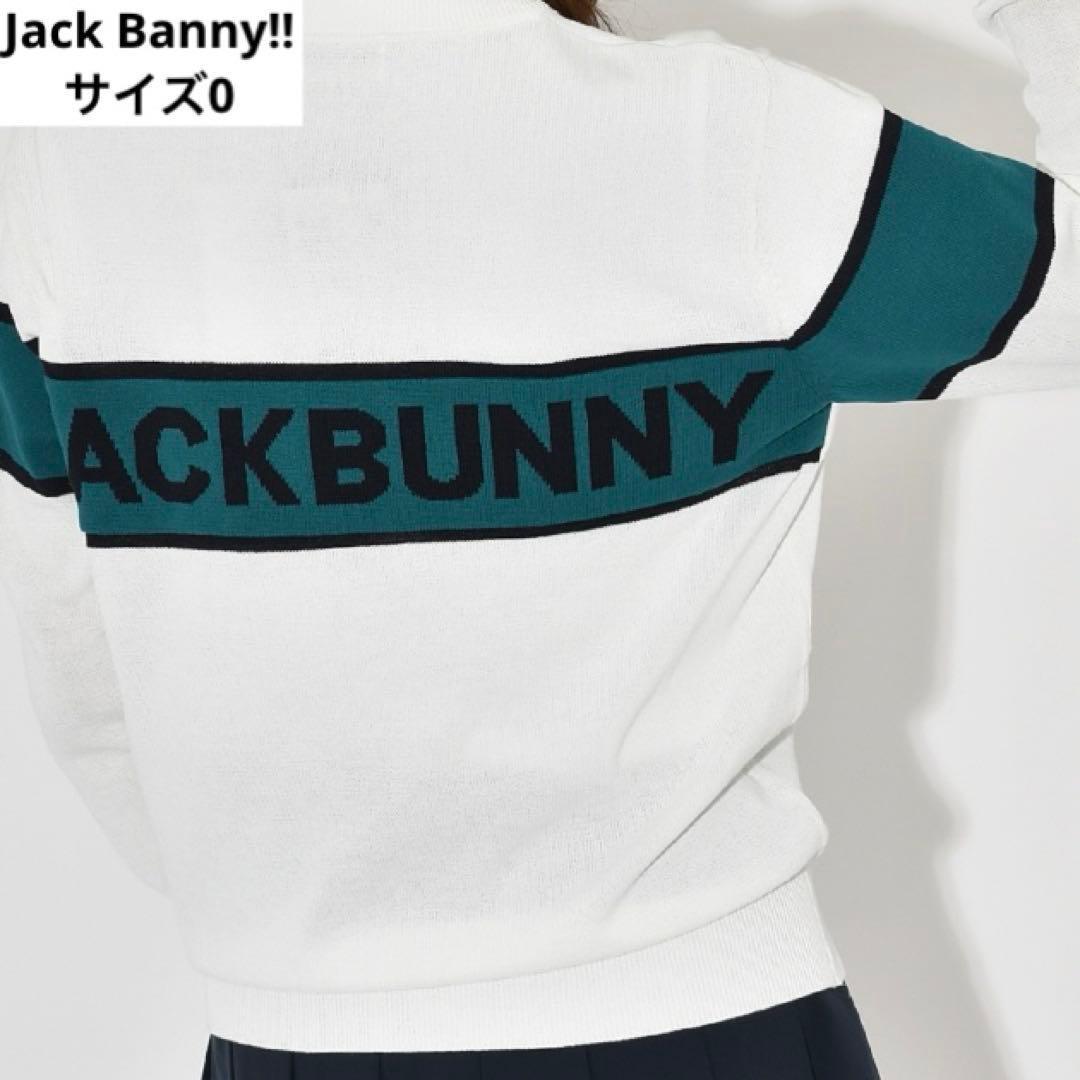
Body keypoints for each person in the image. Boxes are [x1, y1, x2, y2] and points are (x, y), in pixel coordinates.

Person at [0, 0, 1076, 1076]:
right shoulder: (736, 140)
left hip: (291, 1022)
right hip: (713, 1006)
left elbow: (77, 652)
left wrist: (286, 922)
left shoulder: (74, 133)